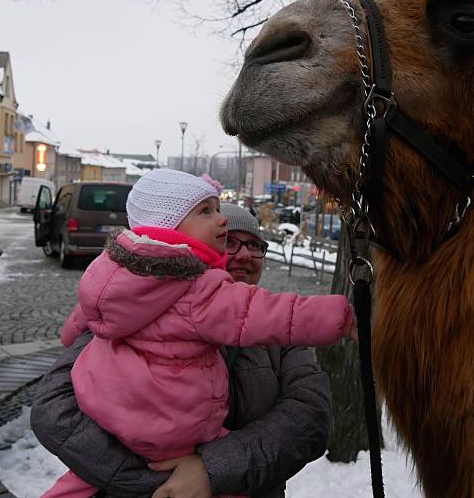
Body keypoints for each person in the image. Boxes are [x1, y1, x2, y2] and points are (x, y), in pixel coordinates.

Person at [38, 170, 355, 498]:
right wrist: (156, 483)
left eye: (255, 245)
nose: (244, 254)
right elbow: (52, 408)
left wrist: (211, 471)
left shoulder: (283, 334)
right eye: (230, 242)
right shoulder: (135, 309)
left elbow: (309, 420)